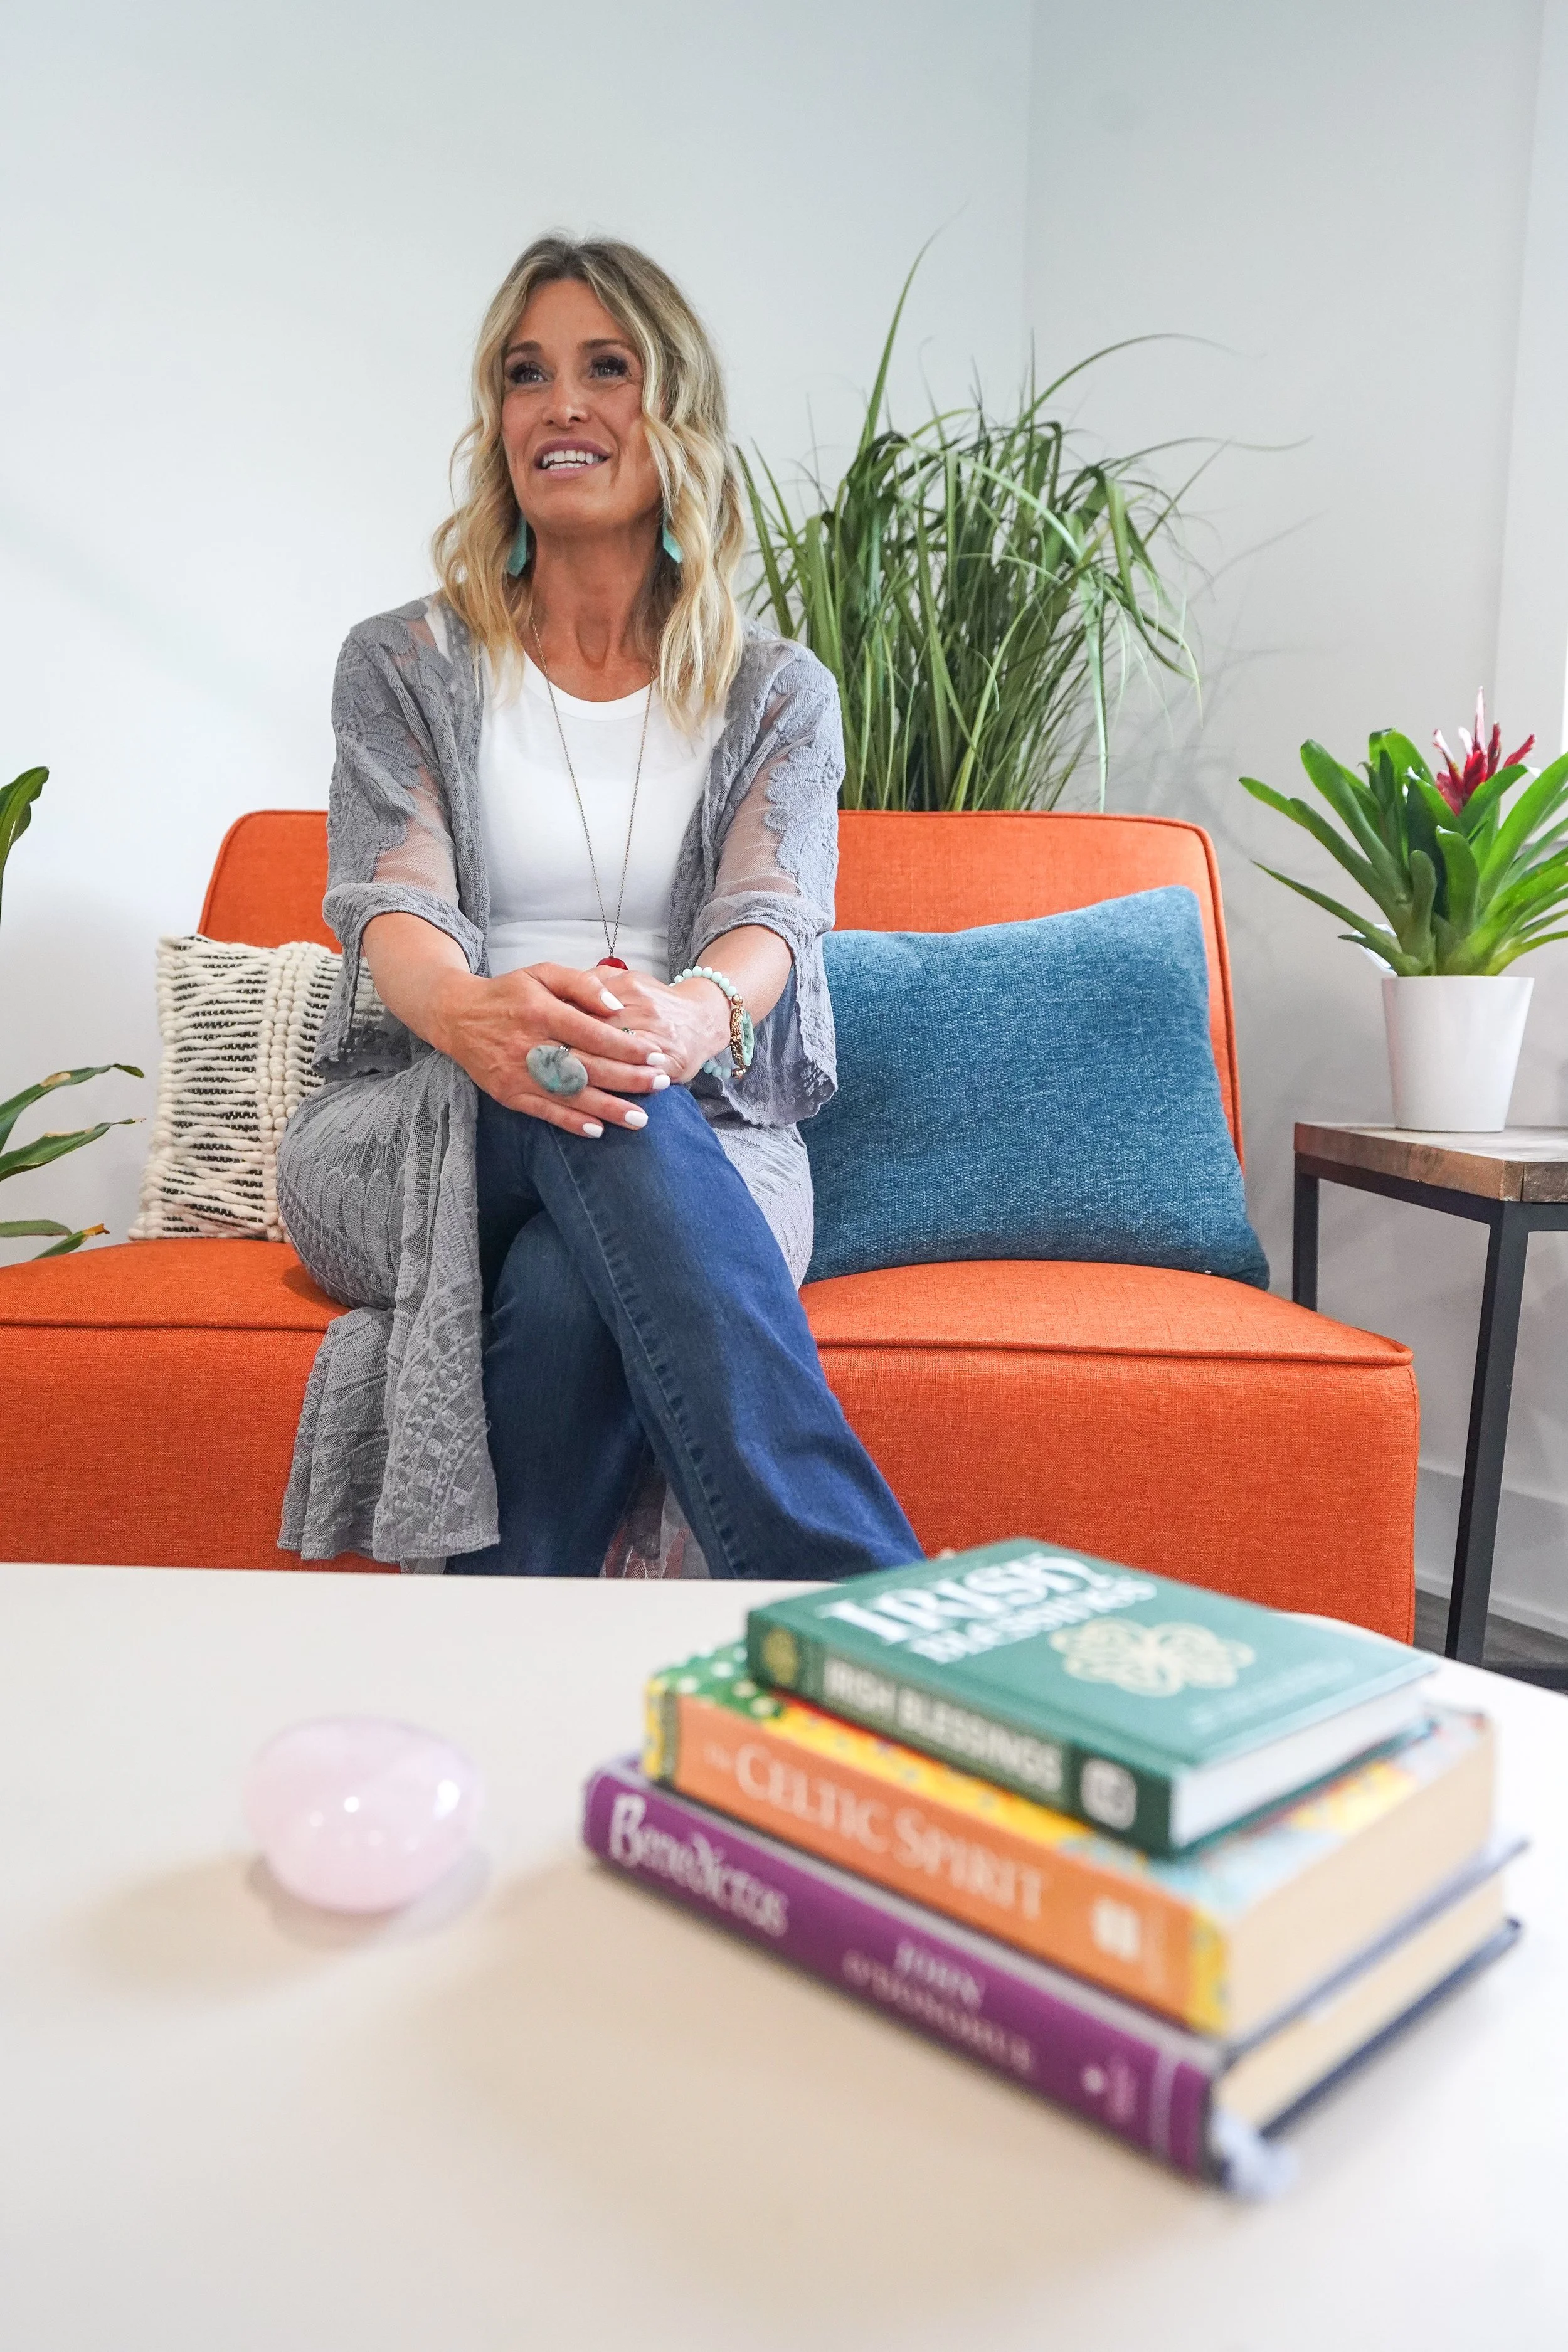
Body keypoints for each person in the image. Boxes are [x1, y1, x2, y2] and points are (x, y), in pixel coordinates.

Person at [276, 233, 921, 1582]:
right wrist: (471, 1016)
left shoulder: (777, 691)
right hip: (415, 1127)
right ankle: (858, 1597)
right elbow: (389, 904)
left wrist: (685, 1019)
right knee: (587, 1092)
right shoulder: (404, 664)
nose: (559, 404)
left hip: (699, 1126)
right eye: (525, 374)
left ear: (674, 415)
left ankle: (492, 1674)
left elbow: (768, 919)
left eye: (604, 367)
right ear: (497, 421)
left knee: (574, 1275)